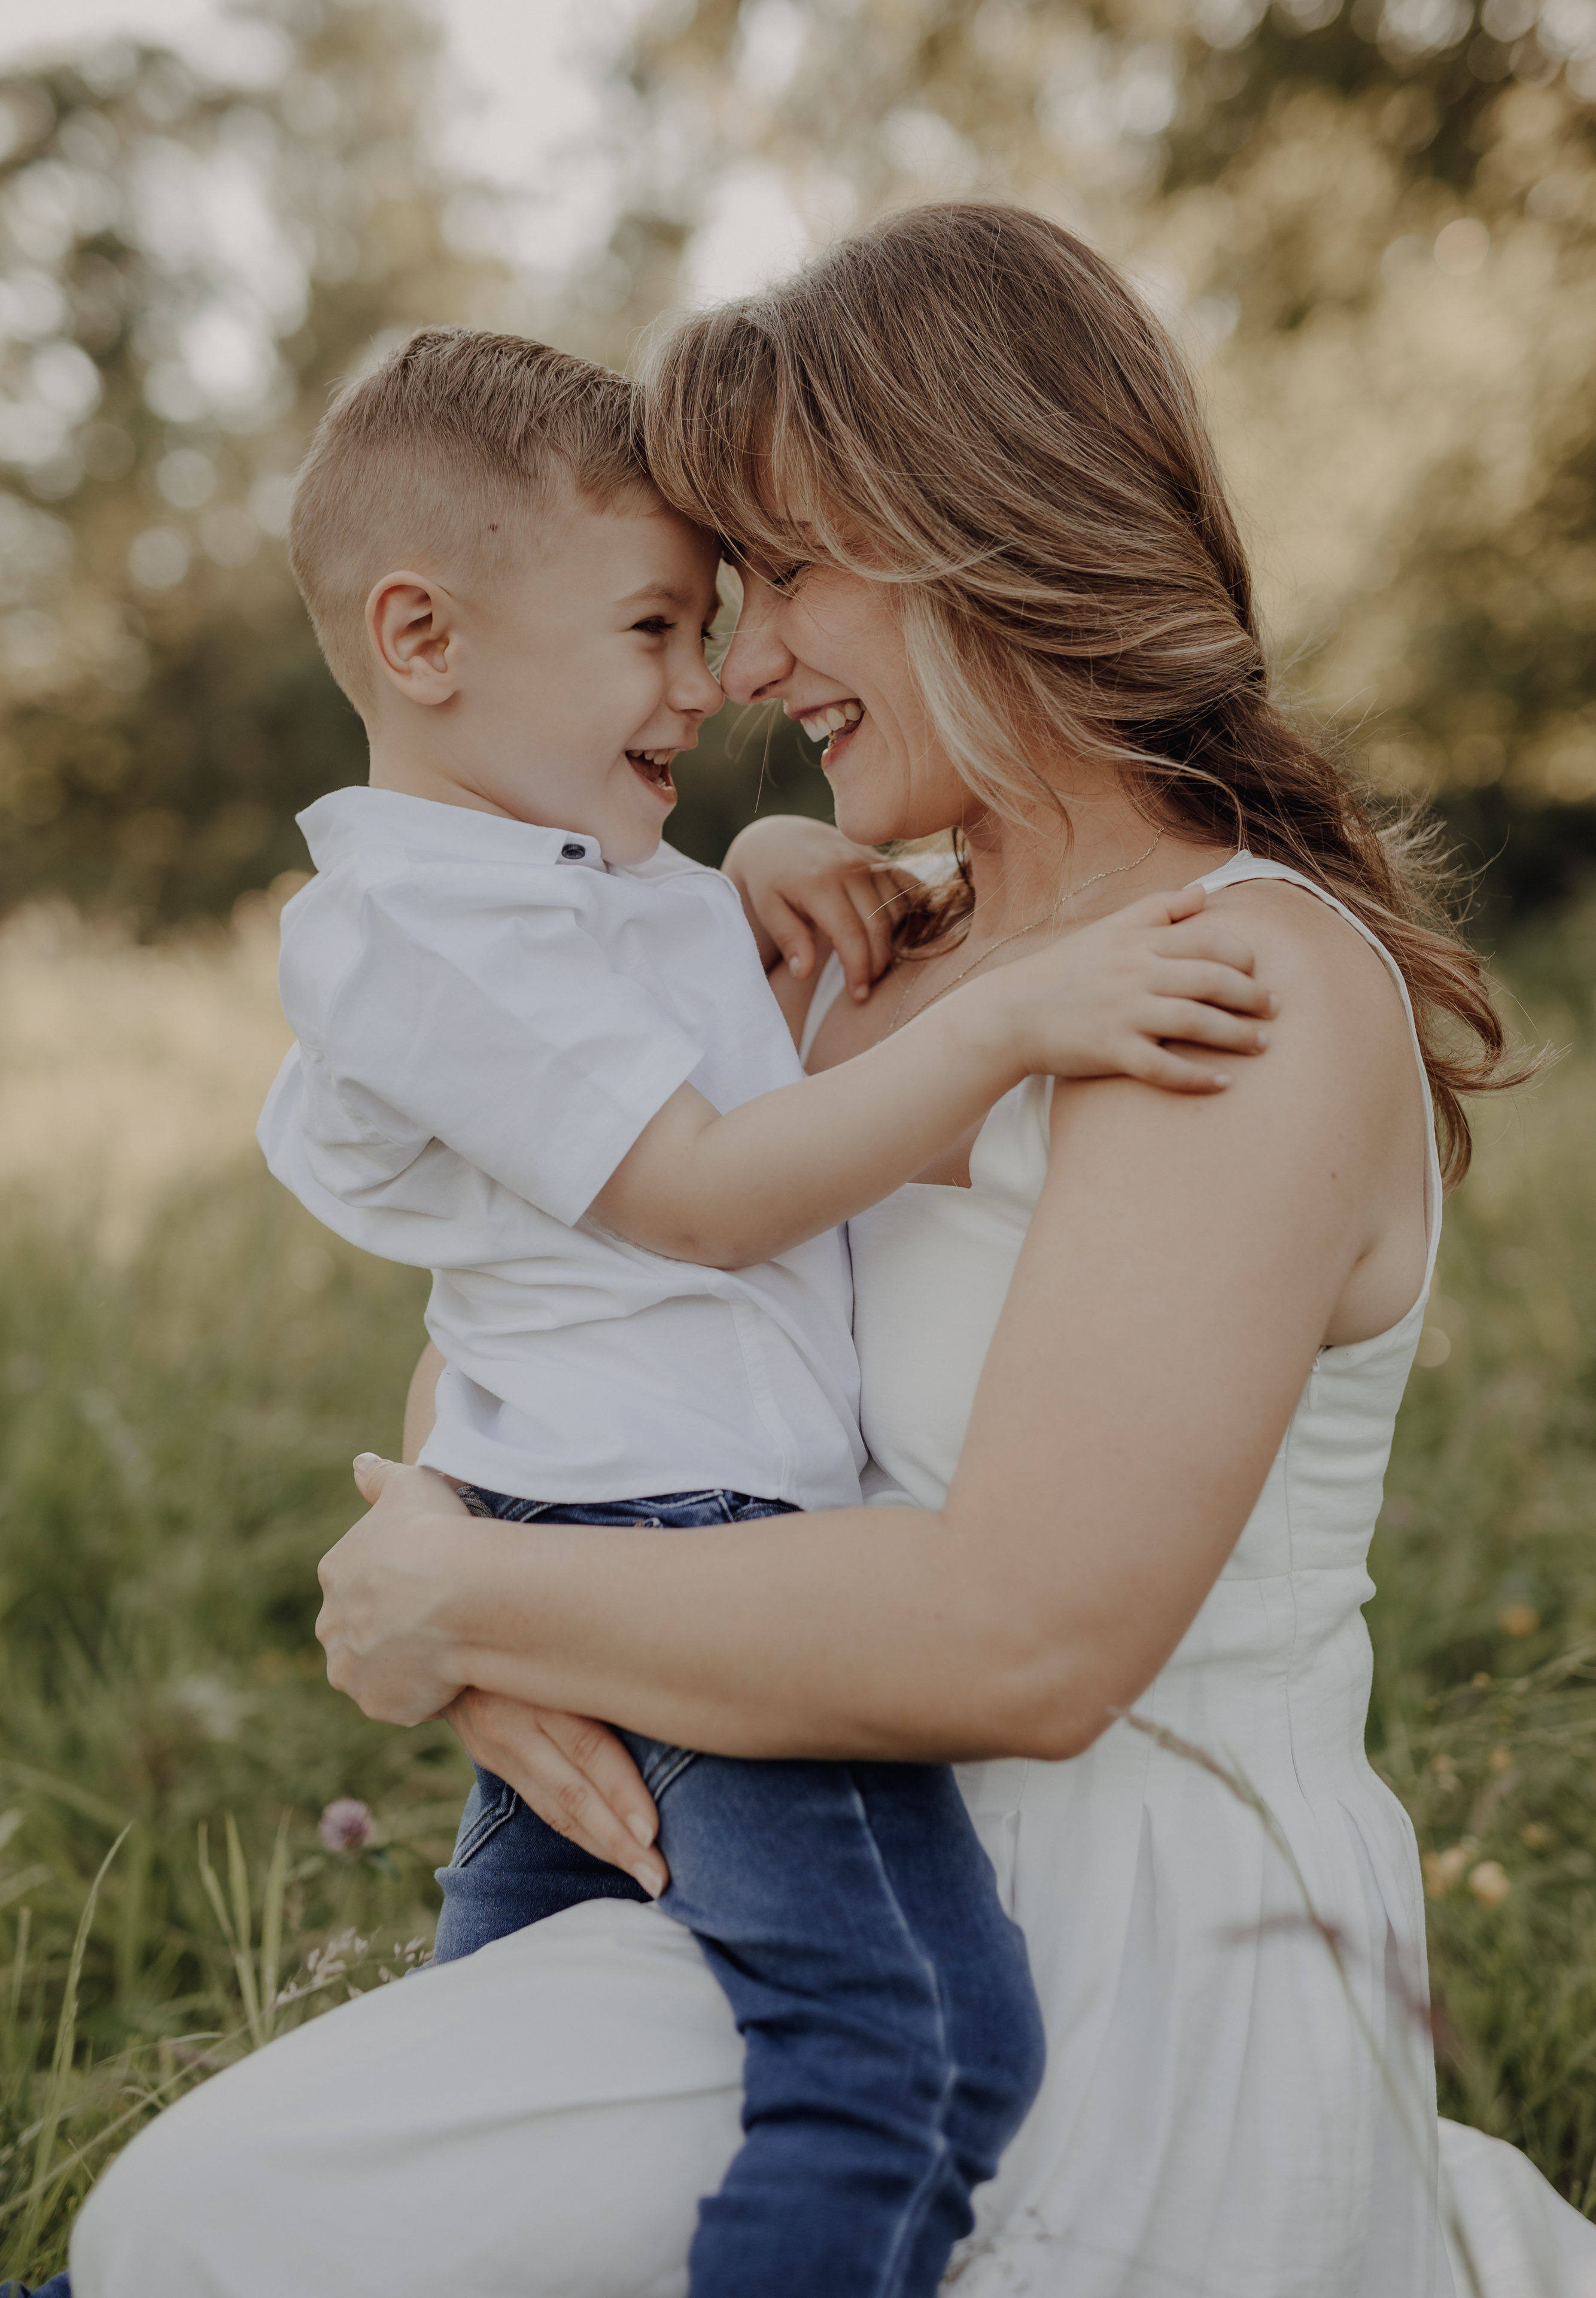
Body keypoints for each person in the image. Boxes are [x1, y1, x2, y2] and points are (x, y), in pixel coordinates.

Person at [69, 205, 1596, 2298]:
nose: (745, 670)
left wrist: (473, 1595)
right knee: (198, 2223)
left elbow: (1026, 1644)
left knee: (196, 2225)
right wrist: (495, 1623)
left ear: (986, 526)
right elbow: (554, 1323)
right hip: (753, 1861)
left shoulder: (1225, 989)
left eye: (785, 574)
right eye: (710, 598)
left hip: (1114, 1951)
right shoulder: (851, 953)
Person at [256, 324, 1275, 2298]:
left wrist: (767, 868)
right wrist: (1006, 1023)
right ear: (422, 638)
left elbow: (632, 978)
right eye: (659, 624)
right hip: (681, 1552)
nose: (712, 679)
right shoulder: (408, 928)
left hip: (634, 1543)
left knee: (495, 2110)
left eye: (744, 604)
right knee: (908, 2053)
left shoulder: (552, 873)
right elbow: (707, 1198)